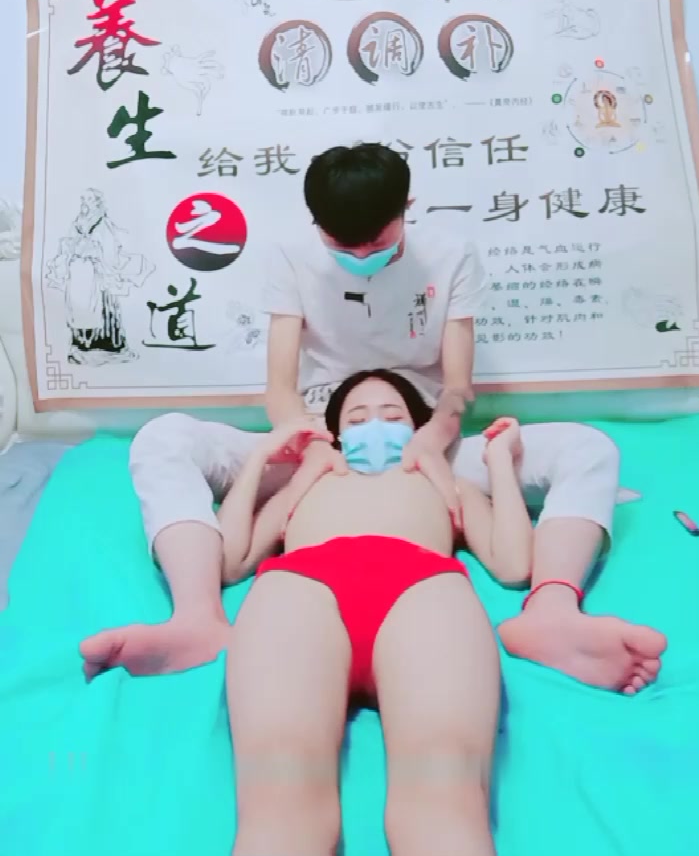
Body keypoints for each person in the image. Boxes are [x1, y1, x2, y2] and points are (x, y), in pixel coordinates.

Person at [80, 143, 667, 691]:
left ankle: (553, 613)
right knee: (163, 438)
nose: (361, 256)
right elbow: (280, 388)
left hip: (422, 439)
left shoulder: (451, 256)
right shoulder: (290, 259)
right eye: (343, 245)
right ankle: (196, 617)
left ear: (406, 206)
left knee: (588, 448)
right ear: (315, 223)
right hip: (321, 438)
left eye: (376, 241)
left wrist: (434, 440)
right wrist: (314, 446)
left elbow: (457, 386)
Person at [223, 369, 534, 856]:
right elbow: (229, 560)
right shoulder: (310, 480)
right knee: (280, 778)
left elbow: (513, 564)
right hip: (302, 590)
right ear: (334, 433)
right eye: (357, 418)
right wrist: (260, 458)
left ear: (419, 429)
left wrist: (498, 462)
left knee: (445, 778)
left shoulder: (442, 481)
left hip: (421, 590)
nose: (374, 426)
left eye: (392, 417)